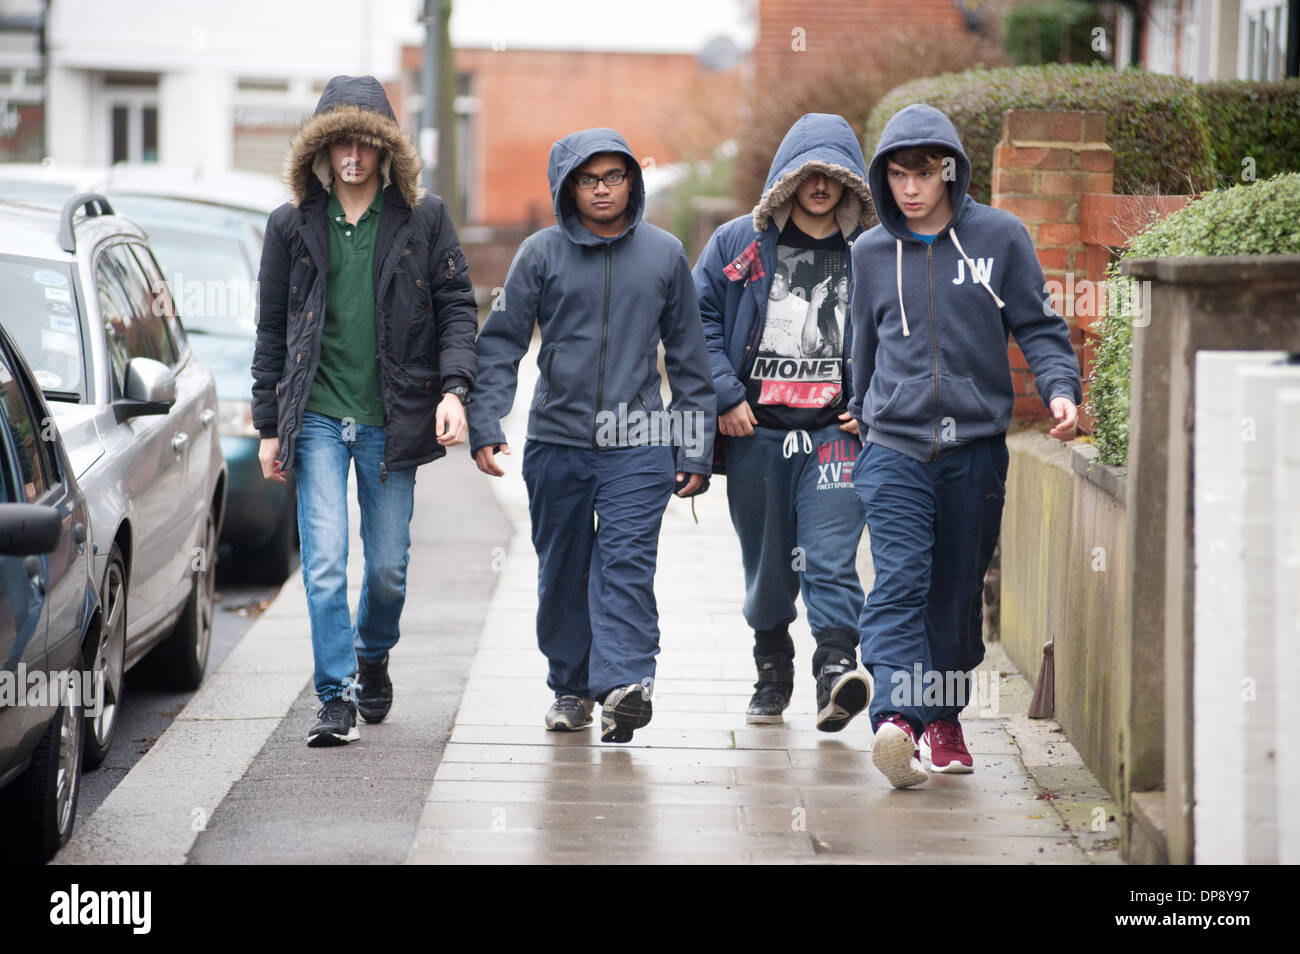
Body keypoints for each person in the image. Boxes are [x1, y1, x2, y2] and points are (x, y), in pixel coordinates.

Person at [848, 103, 1081, 787]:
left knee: (954, 595)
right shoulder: (868, 253)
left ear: (949, 170)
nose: (911, 188)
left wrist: (1060, 388)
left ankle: (942, 715)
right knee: (898, 583)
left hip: (975, 450)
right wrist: (864, 416)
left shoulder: (999, 239)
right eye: (898, 175)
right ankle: (897, 721)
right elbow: (861, 350)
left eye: (923, 173)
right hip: (892, 448)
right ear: (884, 176)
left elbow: (1038, 325)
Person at [469, 128, 715, 744]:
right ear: (567, 187)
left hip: (640, 439)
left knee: (627, 563)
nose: (602, 189)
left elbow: (689, 357)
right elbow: (499, 345)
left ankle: (626, 686)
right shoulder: (540, 254)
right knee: (564, 570)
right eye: (588, 179)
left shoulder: (664, 254)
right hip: (558, 442)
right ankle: (572, 690)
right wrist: (486, 421)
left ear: (633, 181)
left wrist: (695, 447)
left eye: (614, 176)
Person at [252, 75, 478, 747]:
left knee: (385, 568)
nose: (353, 156)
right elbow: (270, 331)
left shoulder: (423, 219)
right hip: (316, 416)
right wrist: (270, 425)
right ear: (322, 149)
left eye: (366, 144)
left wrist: (454, 390)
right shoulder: (291, 225)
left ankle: (372, 652)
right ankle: (336, 696)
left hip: (391, 419)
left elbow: (458, 307)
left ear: (386, 151)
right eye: (340, 142)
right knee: (323, 563)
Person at [693, 113, 875, 731]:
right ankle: (772, 665)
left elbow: (899, 331)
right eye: (808, 172)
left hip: (834, 434)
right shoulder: (737, 243)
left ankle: (835, 669)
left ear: (851, 182)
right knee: (769, 565)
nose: (820, 184)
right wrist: (725, 396)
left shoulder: (869, 253)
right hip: (757, 433)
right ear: (786, 178)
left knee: (828, 555)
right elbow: (700, 323)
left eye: (833, 174)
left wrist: (870, 402)